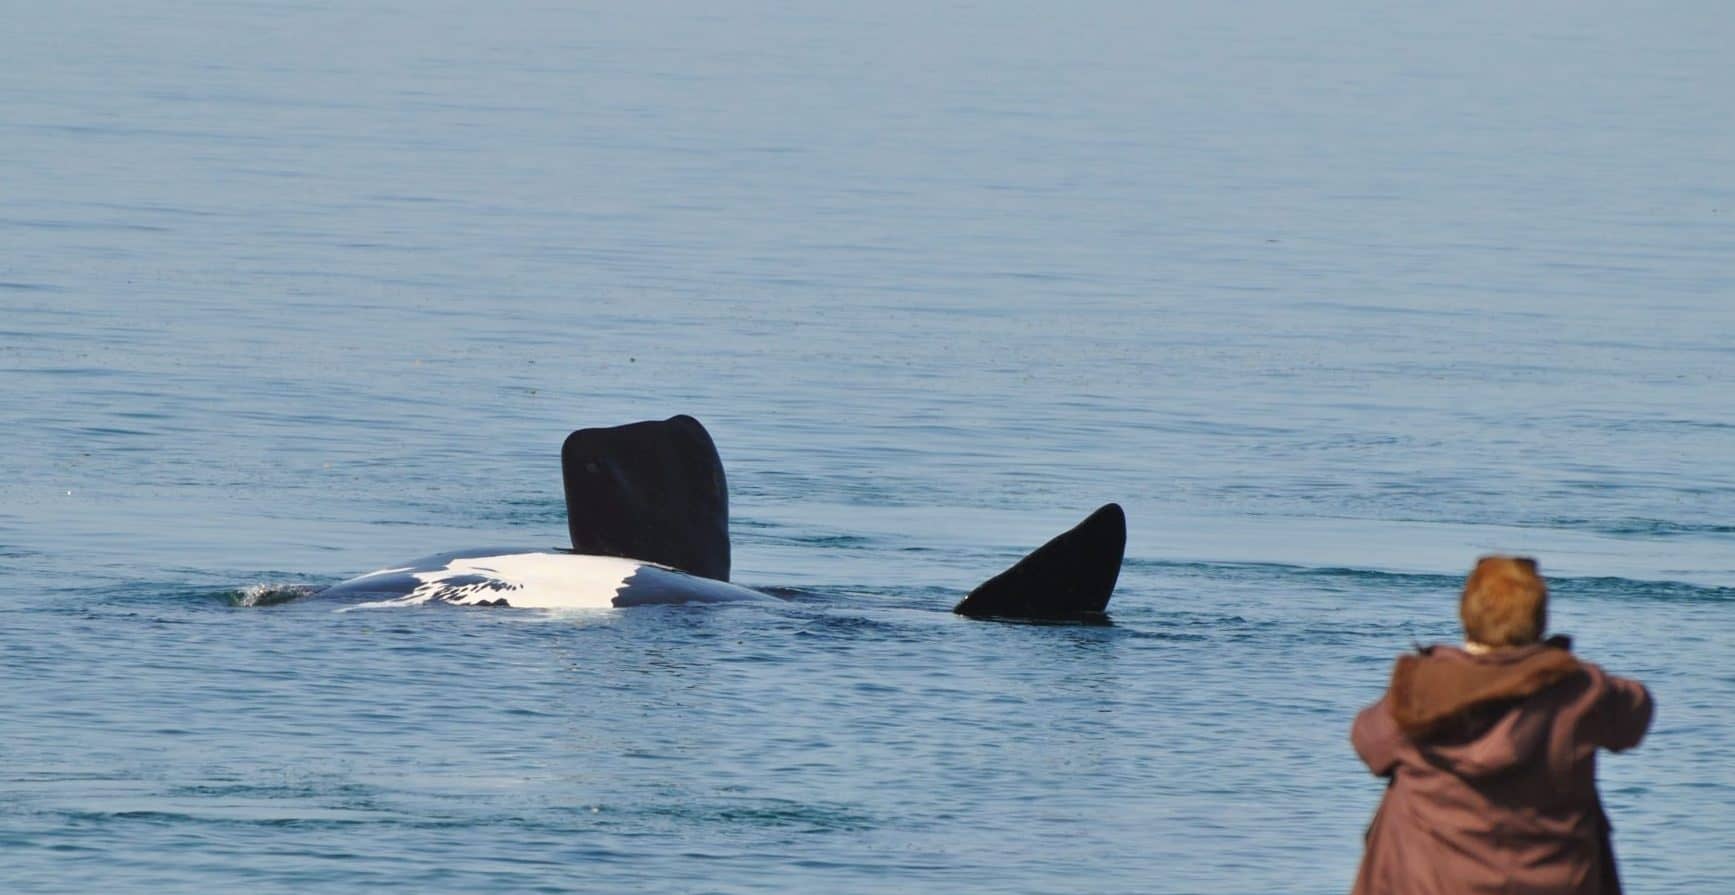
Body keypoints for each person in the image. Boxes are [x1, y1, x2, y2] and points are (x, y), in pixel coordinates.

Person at [1350, 556, 1653, 895]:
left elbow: (1368, 743)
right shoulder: (1579, 691)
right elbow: (1635, 712)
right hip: (1557, 882)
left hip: (1430, 884)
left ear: (1467, 616)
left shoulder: (1421, 691)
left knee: (1399, 798)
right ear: (1539, 623)